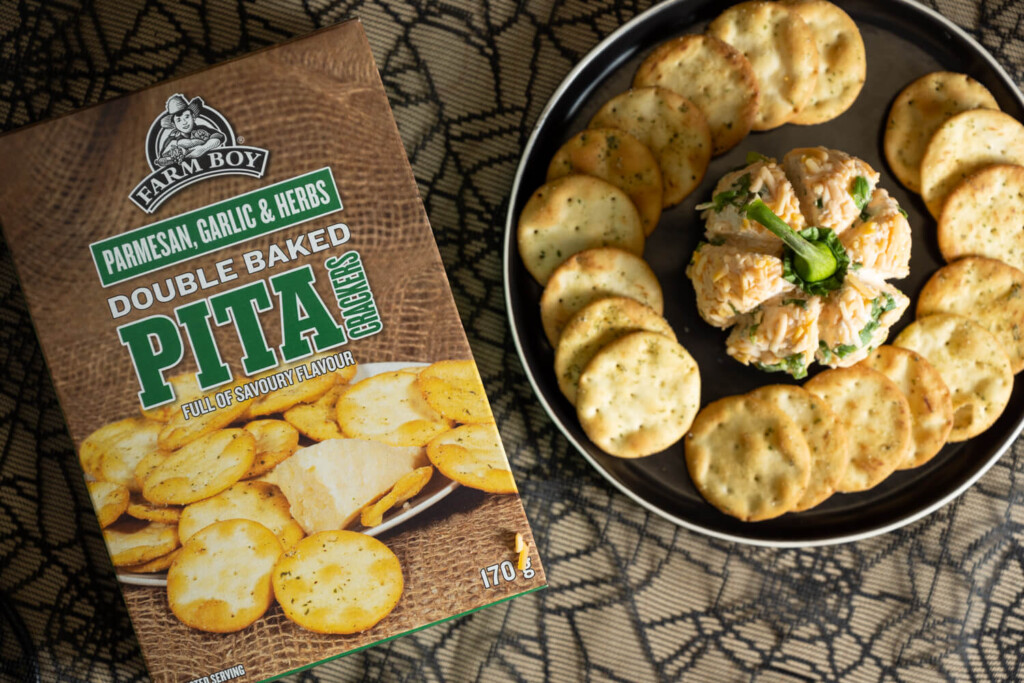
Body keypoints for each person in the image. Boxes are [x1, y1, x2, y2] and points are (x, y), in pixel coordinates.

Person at [154, 94, 224, 167]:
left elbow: (219, 136)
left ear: (193, 117)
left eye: (187, 117)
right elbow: (162, 158)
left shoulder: (201, 130)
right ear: (174, 124)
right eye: (179, 120)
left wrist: (203, 148)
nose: (184, 122)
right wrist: (176, 150)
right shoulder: (172, 137)